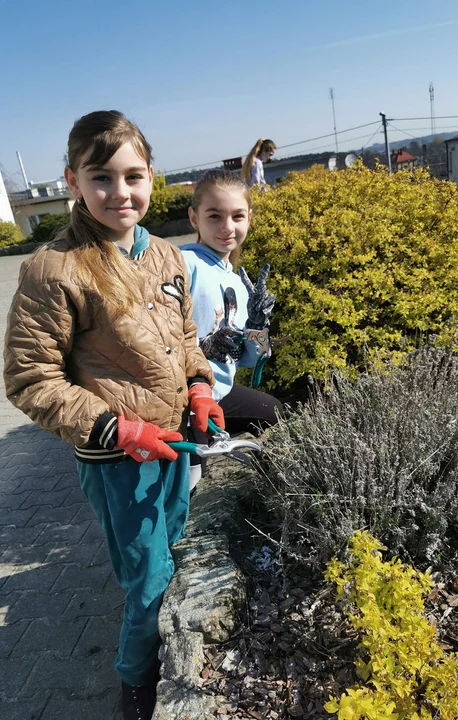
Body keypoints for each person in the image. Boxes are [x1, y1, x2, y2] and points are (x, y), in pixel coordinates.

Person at [3, 110, 224, 720]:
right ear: (73, 181)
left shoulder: (167, 257)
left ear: (153, 177)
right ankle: (136, 690)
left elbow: (185, 340)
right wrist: (118, 429)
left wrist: (201, 390)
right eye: (101, 177)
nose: (119, 192)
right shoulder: (55, 268)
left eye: (133, 176)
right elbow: (28, 378)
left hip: (176, 445)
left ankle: (168, 656)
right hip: (119, 459)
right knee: (148, 584)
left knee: (174, 553)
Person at [181, 169, 282, 490]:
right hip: (183, 399)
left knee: (273, 412)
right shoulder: (185, 263)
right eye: (215, 216)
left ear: (249, 218)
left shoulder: (237, 281)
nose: (227, 227)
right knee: (189, 482)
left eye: (237, 216)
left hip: (218, 394)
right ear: (194, 218)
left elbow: (251, 360)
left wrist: (258, 324)